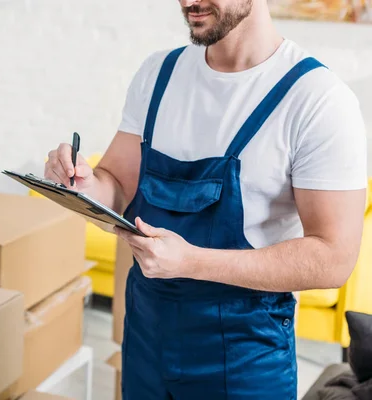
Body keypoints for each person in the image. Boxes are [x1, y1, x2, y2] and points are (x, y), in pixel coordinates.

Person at [44, 0, 368, 397]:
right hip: (146, 334)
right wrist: (82, 184)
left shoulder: (316, 100)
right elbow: (115, 185)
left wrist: (190, 261)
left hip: (244, 354)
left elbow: (333, 260)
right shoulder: (158, 75)